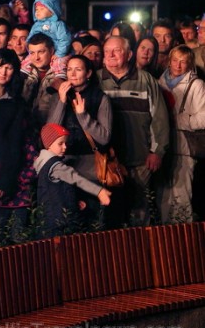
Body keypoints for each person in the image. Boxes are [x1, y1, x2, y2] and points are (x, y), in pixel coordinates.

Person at [99, 36, 169, 225]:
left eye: (117, 50)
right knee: (110, 215)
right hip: (108, 164)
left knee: (140, 213)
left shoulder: (146, 80)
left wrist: (157, 151)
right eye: (107, 51)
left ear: (130, 54)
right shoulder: (96, 80)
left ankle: (141, 253)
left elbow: (160, 119)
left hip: (140, 161)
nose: (111, 55)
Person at [46, 54, 113, 226]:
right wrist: (61, 102)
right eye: (69, 69)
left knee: (93, 221)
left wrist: (83, 116)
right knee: (68, 221)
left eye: (78, 69)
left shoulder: (100, 98)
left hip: (91, 167)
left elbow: (104, 138)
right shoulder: (59, 96)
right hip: (65, 163)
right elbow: (50, 135)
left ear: (89, 73)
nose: (73, 74)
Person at [34, 123, 111, 238]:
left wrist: (73, 202)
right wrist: (99, 191)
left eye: (65, 143)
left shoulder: (44, 165)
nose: (65, 147)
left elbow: (56, 193)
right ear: (48, 144)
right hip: (60, 224)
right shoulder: (55, 166)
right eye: (60, 143)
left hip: (50, 221)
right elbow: (76, 179)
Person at [157, 46, 205, 223]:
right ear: (169, 61)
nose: (178, 65)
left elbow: (203, 118)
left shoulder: (196, 84)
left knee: (182, 197)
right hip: (163, 147)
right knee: (163, 198)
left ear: (190, 63)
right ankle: (165, 243)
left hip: (184, 148)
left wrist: (175, 120)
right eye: (175, 60)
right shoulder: (159, 82)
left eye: (183, 61)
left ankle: (183, 244)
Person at [0, 48, 28, 227]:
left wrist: (5, 179)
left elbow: (15, 144)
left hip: (0, 167)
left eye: (9, 68)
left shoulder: (16, 103)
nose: (3, 72)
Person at [24, 0, 71, 83]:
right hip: (40, 50)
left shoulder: (58, 25)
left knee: (59, 63)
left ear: (52, 10)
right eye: (36, 9)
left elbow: (65, 39)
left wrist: (59, 53)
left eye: (42, 9)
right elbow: (30, 38)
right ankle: (23, 75)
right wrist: (29, 47)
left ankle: (58, 80)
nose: (38, 12)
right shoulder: (36, 25)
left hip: (57, 53)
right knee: (27, 60)